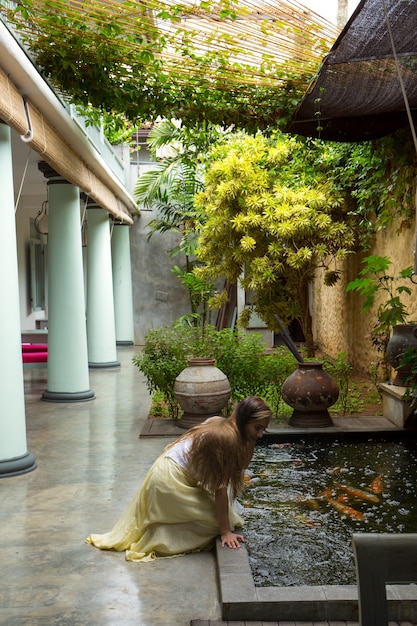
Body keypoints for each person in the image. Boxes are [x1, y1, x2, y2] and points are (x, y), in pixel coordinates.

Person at [86, 396, 271, 562]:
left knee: (226, 514)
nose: (260, 434)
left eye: (264, 429)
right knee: (223, 522)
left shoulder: (219, 422)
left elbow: (238, 466)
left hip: (163, 470)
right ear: (243, 420)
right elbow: (220, 489)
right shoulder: (227, 438)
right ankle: (163, 538)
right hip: (169, 481)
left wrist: (251, 438)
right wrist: (225, 532)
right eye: (257, 428)